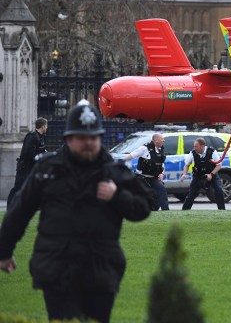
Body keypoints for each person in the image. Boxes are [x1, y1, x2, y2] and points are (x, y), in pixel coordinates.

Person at [0, 100, 153, 323]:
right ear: (69, 139)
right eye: (82, 138)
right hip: (58, 267)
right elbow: (19, 211)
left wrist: (117, 196)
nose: (88, 143)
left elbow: (145, 205)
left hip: (101, 269)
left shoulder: (114, 171)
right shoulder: (47, 170)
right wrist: (4, 251)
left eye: (93, 138)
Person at [7, 117, 48, 207]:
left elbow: (42, 151)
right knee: (18, 188)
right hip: (25, 168)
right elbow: (28, 153)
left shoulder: (41, 137)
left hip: (32, 168)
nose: (47, 128)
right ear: (42, 126)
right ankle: (10, 207)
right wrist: (38, 158)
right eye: (46, 125)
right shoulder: (32, 136)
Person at [122, 133, 169, 211]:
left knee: (161, 190)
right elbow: (131, 155)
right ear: (156, 140)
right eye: (162, 139)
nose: (163, 140)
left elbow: (161, 164)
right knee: (142, 195)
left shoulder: (160, 150)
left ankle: (165, 211)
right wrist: (120, 162)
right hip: (142, 178)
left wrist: (161, 173)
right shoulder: (144, 148)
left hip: (153, 178)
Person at [180, 138, 225, 210]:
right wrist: (184, 174)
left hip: (212, 174)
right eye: (194, 146)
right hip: (198, 175)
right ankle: (185, 210)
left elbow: (219, 165)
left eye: (196, 146)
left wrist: (211, 174)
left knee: (218, 189)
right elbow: (187, 165)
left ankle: (222, 210)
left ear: (202, 146)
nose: (195, 148)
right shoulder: (193, 153)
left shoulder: (212, 152)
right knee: (191, 193)